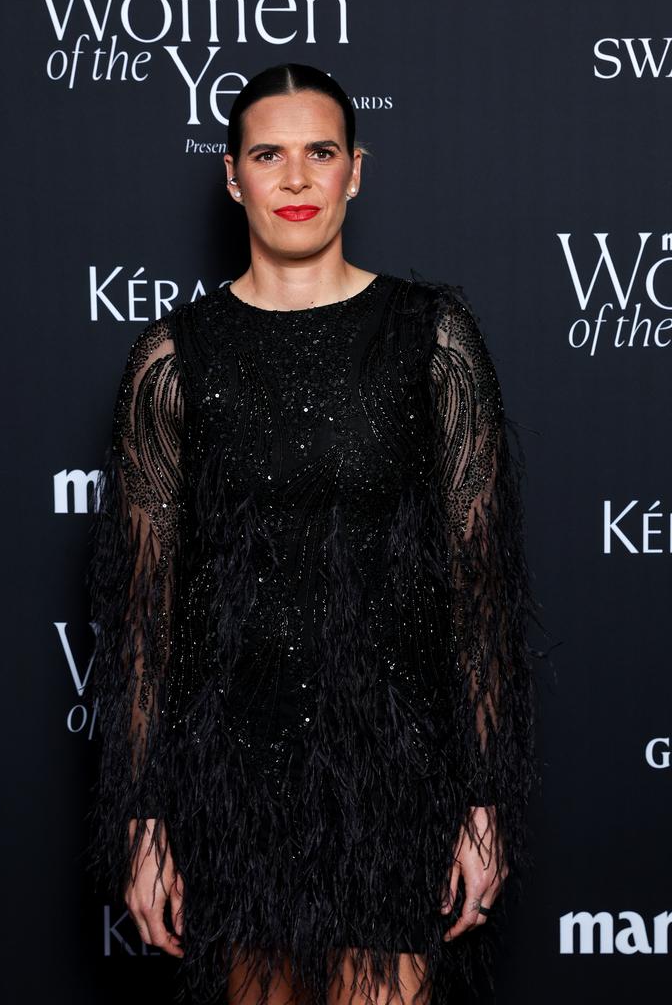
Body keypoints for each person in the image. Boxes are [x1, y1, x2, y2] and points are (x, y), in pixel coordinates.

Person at [85, 62, 542, 1005]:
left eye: (319, 152)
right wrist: (141, 818)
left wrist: (487, 798)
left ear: (355, 171)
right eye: (269, 154)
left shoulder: (431, 339)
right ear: (232, 177)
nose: (295, 179)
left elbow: (480, 590)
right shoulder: (173, 361)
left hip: (397, 772)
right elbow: (143, 614)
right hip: (234, 779)